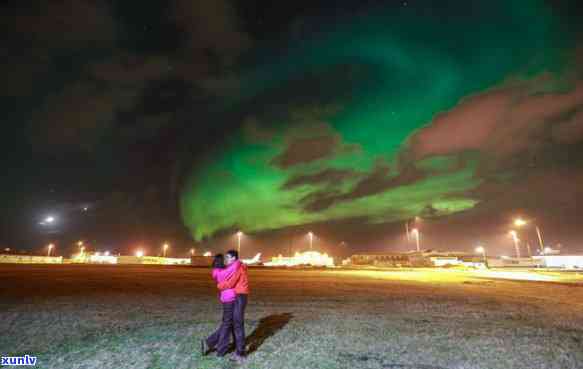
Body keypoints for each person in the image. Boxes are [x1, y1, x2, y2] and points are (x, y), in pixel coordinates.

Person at [201, 254, 240, 357]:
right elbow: (234, 268)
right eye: (225, 259)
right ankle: (214, 346)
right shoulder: (223, 272)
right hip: (230, 299)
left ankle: (235, 344)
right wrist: (237, 261)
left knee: (228, 323)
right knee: (227, 324)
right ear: (221, 261)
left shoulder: (217, 271)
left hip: (226, 298)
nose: (227, 261)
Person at [218, 250, 249, 362]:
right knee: (236, 324)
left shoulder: (238, 267)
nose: (226, 259)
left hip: (240, 297)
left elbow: (231, 283)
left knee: (238, 324)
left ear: (234, 258)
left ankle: (241, 353)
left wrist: (219, 286)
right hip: (239, 296)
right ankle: (239, 350)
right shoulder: (239, 265)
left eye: (228, 257)